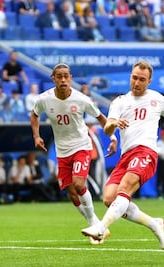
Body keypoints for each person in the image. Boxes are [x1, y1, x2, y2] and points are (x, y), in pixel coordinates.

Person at [81, 60, 164, 249]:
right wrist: (114, 124)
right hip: (126, 155)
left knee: (126, 186)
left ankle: (101, 227)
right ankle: (154, 223)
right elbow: (107, 128)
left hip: (146, 151)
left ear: (149, 81)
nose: (137, 83)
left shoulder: (157, 99)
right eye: (134, 77)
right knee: (109, 198)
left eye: (142, 79)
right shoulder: (120, 101)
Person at [31, 63, 118, 244]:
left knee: (79, 184)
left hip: (81, 147)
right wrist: (37, 136)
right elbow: (34, 114)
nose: (63, 80)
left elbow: (101, 118)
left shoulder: (81, 99)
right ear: (53, 79)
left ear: (70, 78)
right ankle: (93, 222)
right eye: (59, 76)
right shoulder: (44, 99)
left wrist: (112, 139)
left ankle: (96, 225)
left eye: (66, 76)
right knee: (70, 192)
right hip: (62, 152)